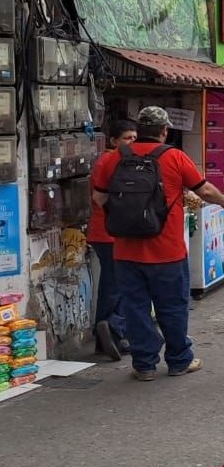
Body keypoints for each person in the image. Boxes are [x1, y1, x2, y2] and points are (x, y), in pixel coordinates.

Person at [92, 107, 224, 381]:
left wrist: (128, 216)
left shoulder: (113, 159)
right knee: (172, 307)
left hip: (125, 250)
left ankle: (144, 364)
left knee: (135, 308)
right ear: (164, 130)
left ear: (139, 129)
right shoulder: (174, 156)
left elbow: (99, 199)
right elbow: (204, 190)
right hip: (167, 250)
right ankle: (179, 359)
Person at [88, 119, 137, 361]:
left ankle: (109, 335)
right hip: (108, 232)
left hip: (108, 231)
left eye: (134, 138)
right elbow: (101, 198)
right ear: (113, 141)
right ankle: (111, 329)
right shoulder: (109, 161)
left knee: (113, 285)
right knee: (116, 286)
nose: (131, 143)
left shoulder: (113, 160)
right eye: (127, 138)